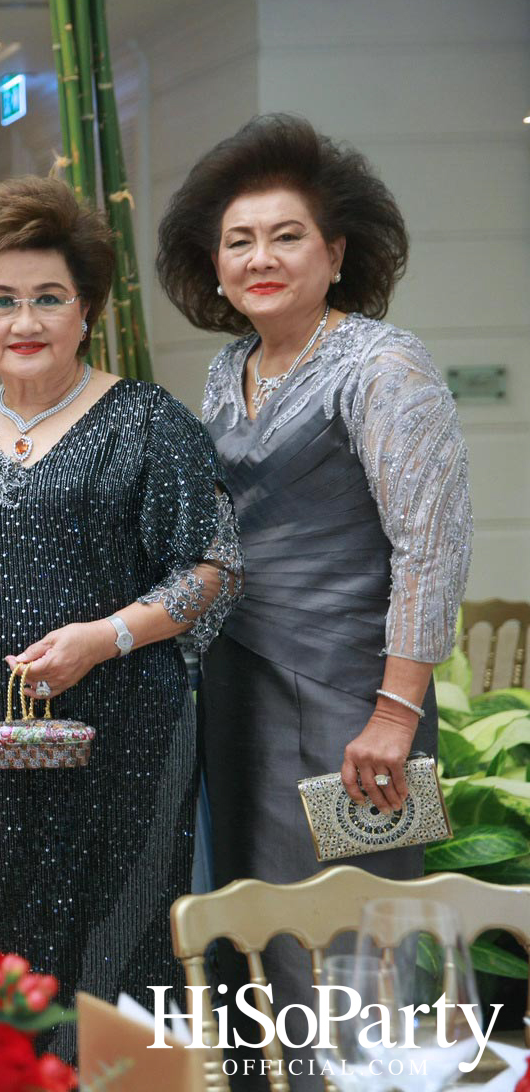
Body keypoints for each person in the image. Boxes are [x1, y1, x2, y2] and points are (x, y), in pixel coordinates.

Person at [157, 114, 471, 1089]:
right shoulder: (227, 368)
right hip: (240, 702)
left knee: (360, 953)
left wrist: (396, 711)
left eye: (286, 236)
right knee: (253, 942)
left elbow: (433, 544)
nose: (261, 258)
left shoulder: (386, 365)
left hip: (356, 712)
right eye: (239, 241)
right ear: (212, 267)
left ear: (336, 254)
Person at [0, 176, 242, 1058]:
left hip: (128, 732)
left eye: (49, 297)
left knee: (120, 951)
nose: (26, 320)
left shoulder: (146, 420)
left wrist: (105, 637)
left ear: (86, 308)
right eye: (2, 300)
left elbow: (212, 568)